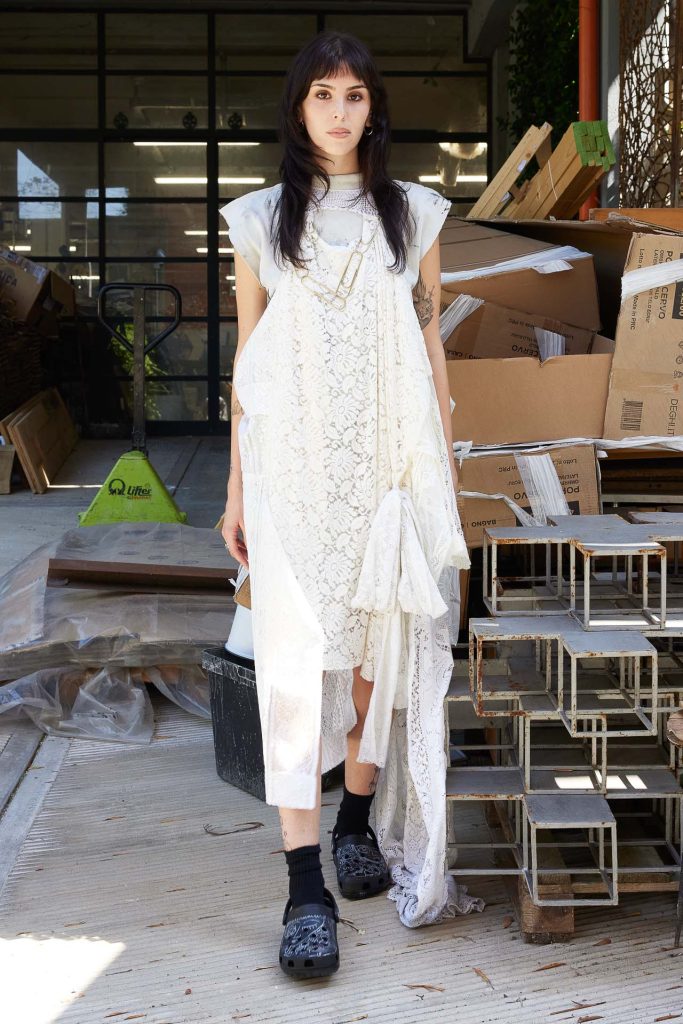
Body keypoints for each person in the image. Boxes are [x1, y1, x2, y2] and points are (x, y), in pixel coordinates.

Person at [220, 30, 482, 981]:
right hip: (291, 481)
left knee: (377, 659)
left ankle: (357, 821)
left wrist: (442, 471)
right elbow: (247, 366)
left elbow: (431, 347)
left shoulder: (412, 214)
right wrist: (236, 488)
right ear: (298, 109)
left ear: (374, 110)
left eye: (355, 95)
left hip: (385, 474)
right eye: (322, 94)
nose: (338, 111)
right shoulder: (258, 220)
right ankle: (303, 890)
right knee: (293, 672)